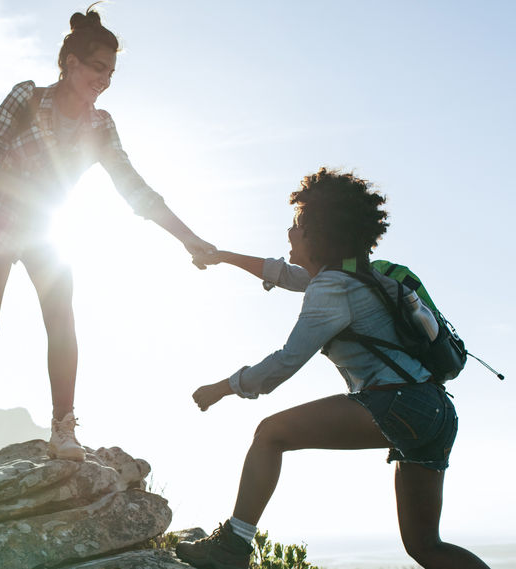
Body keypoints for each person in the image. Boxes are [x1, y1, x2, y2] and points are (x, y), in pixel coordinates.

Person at [0, 5, 215, 475]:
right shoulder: (26, 98)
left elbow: (135, 189)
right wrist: (21, 189)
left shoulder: (100, 125)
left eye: (111, 71)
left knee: (62, 322)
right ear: (70, 63)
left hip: (48, 231)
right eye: (97, 67)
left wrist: (187, 238)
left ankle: (63, 428)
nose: (104, 79)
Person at [176, 168, 490, 569]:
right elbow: (288, 275)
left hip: (400, 404)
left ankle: (232, 547)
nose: (290, 233)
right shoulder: (358, 275)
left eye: (298, 225)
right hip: (435, 411)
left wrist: (222, 387)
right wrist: (224, 257)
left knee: (270, 433)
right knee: (426, 546)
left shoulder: (332, 287)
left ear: (318, 234)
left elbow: (286, 362)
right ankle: (232, 546)